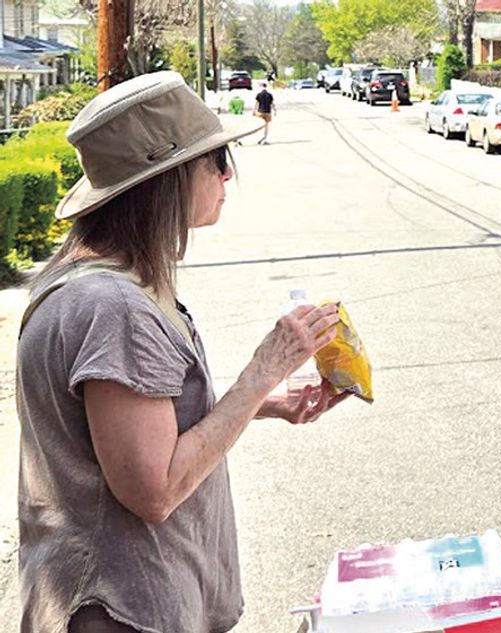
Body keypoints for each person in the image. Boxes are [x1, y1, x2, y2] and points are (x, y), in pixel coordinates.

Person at [17, 71, 348, 632]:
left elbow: (132, 434)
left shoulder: (102, 280)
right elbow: (156, 488)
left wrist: (265, 399)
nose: (226, 175)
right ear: (166, 180)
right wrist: (263, 369)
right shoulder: (113, 307)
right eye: (214, 159)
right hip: (122, 610)